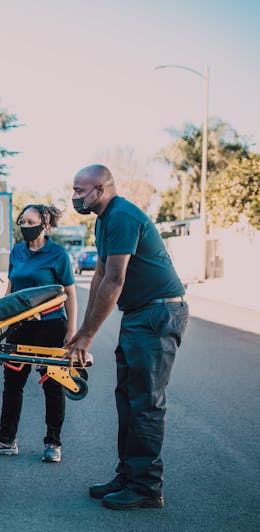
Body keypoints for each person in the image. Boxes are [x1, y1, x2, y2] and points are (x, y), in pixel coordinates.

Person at [64, 164, 188, 511]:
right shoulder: (104, 219)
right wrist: (80, 333)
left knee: (145, 402)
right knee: (128, 399)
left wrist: (88, 337)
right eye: (73, 190)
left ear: (100, 190)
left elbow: (115, 281)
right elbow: (100, 278)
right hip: (141, 314)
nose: (75, 197)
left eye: (79, 191)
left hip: (158, 313)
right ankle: (129, 476)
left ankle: (147, 487)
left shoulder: (121, 216)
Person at [0, 204, 78, 463]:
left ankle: (53, 442)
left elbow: (69, 293)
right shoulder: (17, 251)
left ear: (45, 224)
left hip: (50, 326)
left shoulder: (58, 254)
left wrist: (72, 330)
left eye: (31, 222)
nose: (25, 227)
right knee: (13, 384)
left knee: (52, 384)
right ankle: (6, 439)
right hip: (20, 326)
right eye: (22, 222)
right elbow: (11, 287)